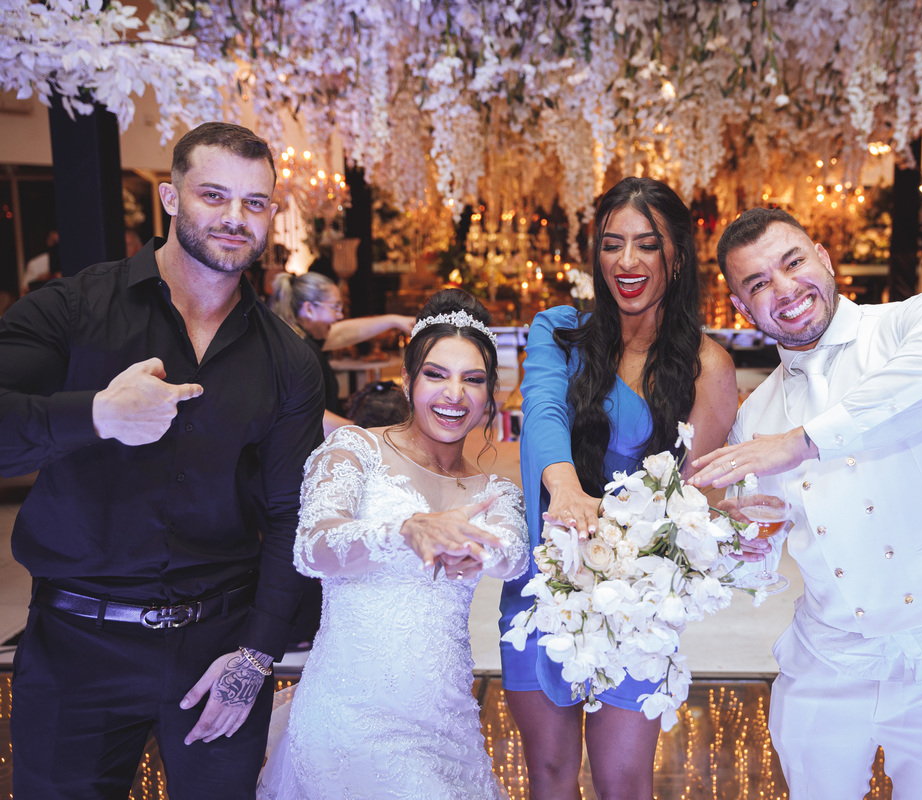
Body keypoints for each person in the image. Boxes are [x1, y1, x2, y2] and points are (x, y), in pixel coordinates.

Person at [0, 122, 325, 798]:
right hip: (74, 647)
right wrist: (96, 415)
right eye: (214, 195)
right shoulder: (73, 311)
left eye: (255, 203)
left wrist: (257, 655)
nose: (236, 218)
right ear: (169, 197)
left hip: (219, 649)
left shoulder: (288, 358)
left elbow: (293, 512)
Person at [690, 207, 922, 799]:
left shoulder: (917, 323)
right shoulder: (755, 416)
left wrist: (803, 442)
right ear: (740, 308)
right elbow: (759, 555)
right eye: (758, 284)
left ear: (825, 260)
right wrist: (734, 542)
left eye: (794, 263)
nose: (785, 290)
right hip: (826, 656)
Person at [500, 176, 739, 798]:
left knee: (623, 780)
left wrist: (735, 522)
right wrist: (565, 490)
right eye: (611, 244)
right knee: (549, 774)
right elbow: (544, 412)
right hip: (543, 574)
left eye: (646, 245)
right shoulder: (559, 330)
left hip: (634, 602)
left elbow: (694, 499)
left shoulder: (705, 366)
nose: (626, 262)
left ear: (677, 256)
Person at [256, 289, 528, 799]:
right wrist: (404, 530)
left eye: (473, 380)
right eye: (436, 375)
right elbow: (311, 547)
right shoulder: (354, 449)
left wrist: (481, 551)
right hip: (349, 718)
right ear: (407, 381)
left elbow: (513, 557)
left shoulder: (495, 493)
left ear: (491, 394)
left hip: (447, 726)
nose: (455, 395)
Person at [270, 270, 415, 435]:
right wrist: (366, 433)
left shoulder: (298, 339)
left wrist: (395, 320)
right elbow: (302, 411)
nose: (339, 316)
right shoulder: (295, 353)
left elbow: (344, 332)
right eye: (335, 307)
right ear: (309, 308)